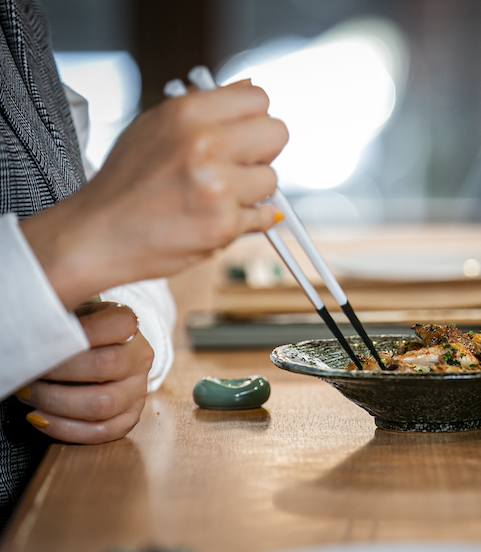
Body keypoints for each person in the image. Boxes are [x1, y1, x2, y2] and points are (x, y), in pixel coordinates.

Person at [0, 0, 288, 525]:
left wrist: (129, 342)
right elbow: (93, 224)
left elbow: (84, 202)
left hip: (73, 510)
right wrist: (80, 244)